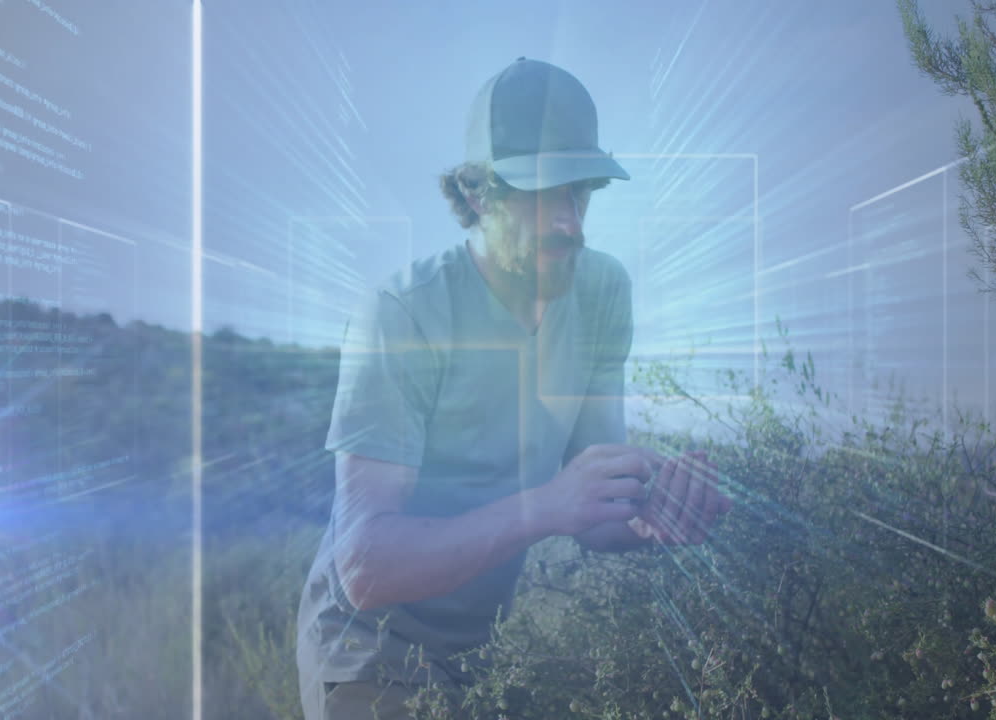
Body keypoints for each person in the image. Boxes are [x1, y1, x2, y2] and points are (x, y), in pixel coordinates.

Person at [296, 57, 730, 719]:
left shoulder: (602, 290)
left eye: (581, 192)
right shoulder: (403, 313)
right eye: (542, 193)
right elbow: (363, 569)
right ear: (477, 194)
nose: (570, 222)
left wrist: (655, 515)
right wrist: (544, 507)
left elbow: (594, 510)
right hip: (365, 649)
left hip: (483, 653)